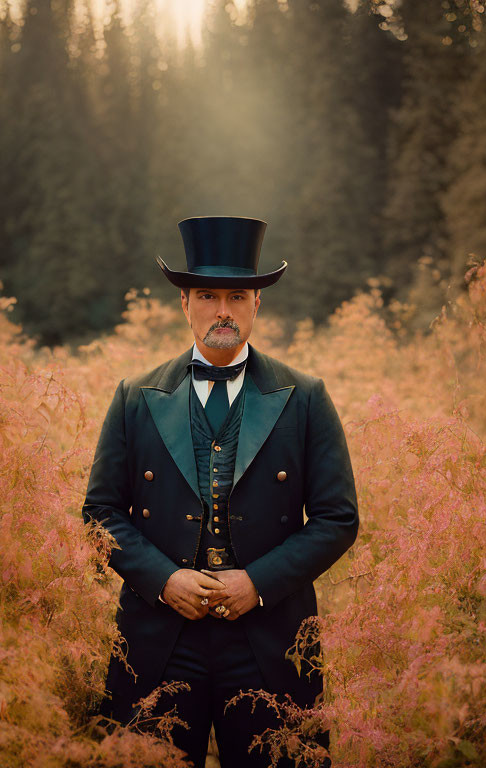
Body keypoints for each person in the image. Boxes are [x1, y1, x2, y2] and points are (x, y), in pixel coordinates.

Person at [82, 215, 359, 768]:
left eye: (238, 294)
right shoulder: (135, 397)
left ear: (258, 304)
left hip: (269, 638)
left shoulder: (305, 397)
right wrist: (164, 580)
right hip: (159, 640)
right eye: (208, 294)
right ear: (185, 302)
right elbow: (100, 513)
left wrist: (257, 582)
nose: (224, 310)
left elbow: (337, 518)